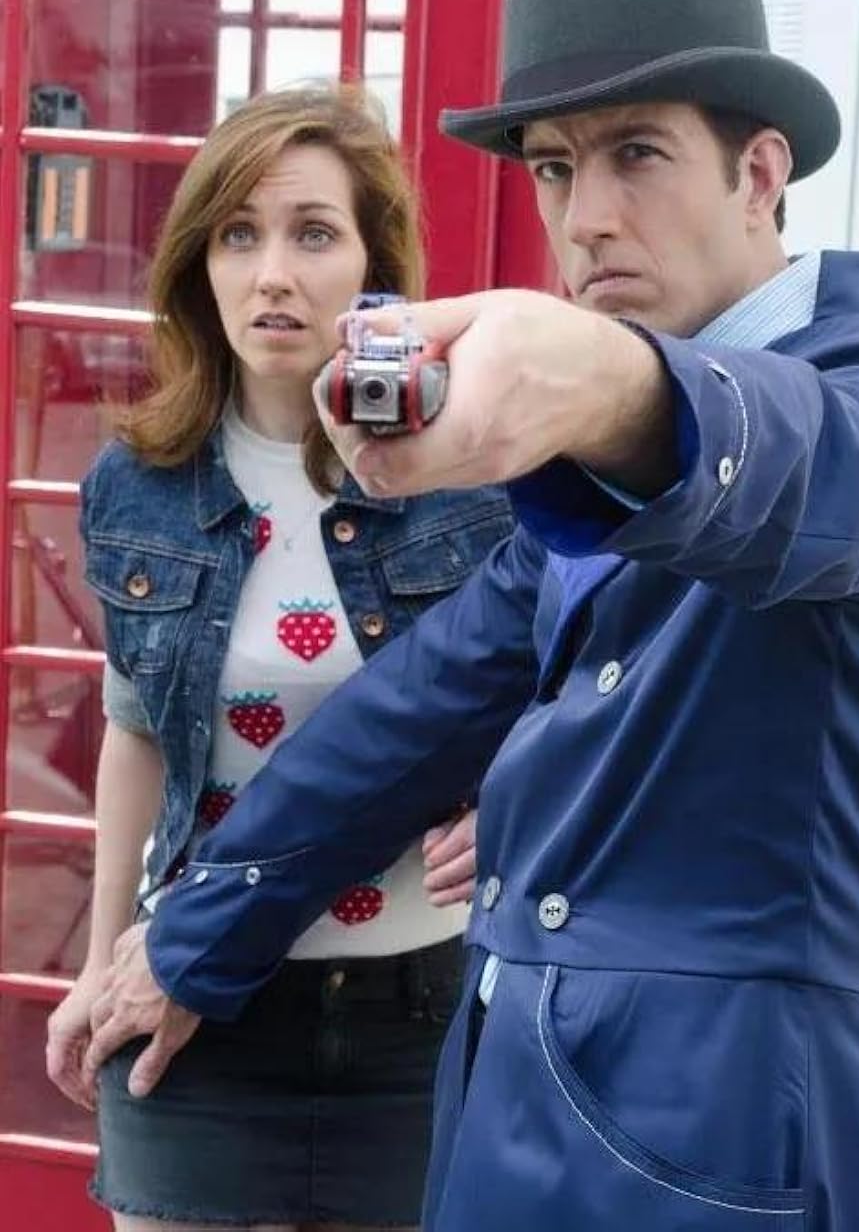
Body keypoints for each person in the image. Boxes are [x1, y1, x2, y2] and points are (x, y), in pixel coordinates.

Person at [84, 0, 859, 1232]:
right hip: (502, 1116)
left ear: (759, 172)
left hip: (730, 1145)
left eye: (638, 154)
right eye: (557, 168)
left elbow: (826, 476)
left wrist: (607, 385)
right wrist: (187, 936)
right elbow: (405, 719)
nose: (585, 218)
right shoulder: (587, 482)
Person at [45, 84, 514, 1231]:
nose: (272, 275)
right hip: (193, 999)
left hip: (418, 1016)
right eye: (238, 235)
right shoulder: (138, 485)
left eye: (312, 233)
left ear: (372, 265)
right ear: (197, 266)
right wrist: (102, 963)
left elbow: (553, 699)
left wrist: (519, 794)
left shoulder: (468, 474)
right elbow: (135, 734)